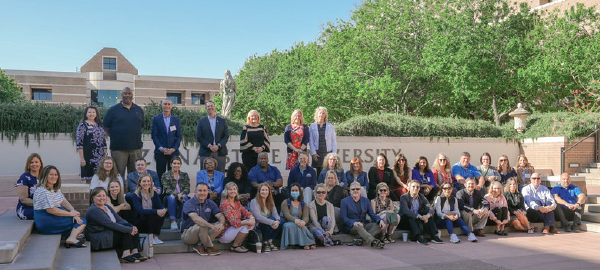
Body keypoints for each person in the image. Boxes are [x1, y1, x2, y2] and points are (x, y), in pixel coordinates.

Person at [86, 187, 145, 264]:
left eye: (103, 195)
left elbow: (119, 220)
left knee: (131, 227)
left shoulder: (107, 206)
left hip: (108, 232)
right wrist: (129, 229)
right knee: (126, 231)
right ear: (92, 198)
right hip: (99, 237)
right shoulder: (94, 210)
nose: (101, 198)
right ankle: (125, 255)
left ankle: (135, 252)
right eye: (98, 196)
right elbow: (110, 224)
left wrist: (131, 227)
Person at [33, 165, 87, 247]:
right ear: (45, 176)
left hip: (54, 217)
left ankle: (71, 237)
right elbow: (51, 210)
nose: (54, 177)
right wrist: (71, 214)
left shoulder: (55, 189)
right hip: (46, 220)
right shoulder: (43, 191)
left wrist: (73, 212)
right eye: (51, 174)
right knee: (82, 222)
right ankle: (71, 238)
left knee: (78, 221)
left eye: (56, 174)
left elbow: (64, 202)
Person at [103, 87, 144, 178]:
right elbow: (106, 127)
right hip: (118, 149)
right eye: (125, 93)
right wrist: (116, 136)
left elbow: (141, 126)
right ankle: (119, 192)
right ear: (121, 95)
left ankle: (133, 192)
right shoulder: (113, 110)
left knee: (135, 176)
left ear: (132, 95)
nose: (127, 95)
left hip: (136, 149)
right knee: (118, 175)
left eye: (129, 93)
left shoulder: (139, 110)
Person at [181, 183, 225, 256]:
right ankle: (209, 246)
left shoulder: (210, 203)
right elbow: (196, 219)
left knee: (220, 225)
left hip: (204, 232)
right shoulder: (189, 203)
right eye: (200, 190)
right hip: (188, 234)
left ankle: (200, 245)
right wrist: (211, 226)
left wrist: (221, 224)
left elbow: (220, 216)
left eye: (204, 191)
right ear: (195, 191)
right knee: (201, 224)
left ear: (207, 192)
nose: (202, 193)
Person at [341, 182, 386, 249]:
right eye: (353, 189)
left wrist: (380, 220)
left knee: (378, 225)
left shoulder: (365, 200)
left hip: (363, 224)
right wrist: (354, 222)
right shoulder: (344, 201)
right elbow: (343, 218)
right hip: (351, 226)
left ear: (360, 190)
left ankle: (361, 240)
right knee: (358, 226)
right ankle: (373, 241)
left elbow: (372, 214)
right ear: (350, 191)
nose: (355, 191)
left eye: (357, 189)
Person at [399, 180, 443, 245]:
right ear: (409, 188)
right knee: (411, 216)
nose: (415, 188)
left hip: (418, 220)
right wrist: (419, 216)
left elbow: (430, 207)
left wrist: (427, 215)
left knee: (427, 212)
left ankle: (434, 235)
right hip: (405, 221)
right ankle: (418, 237)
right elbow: (406, 211)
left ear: (419, 188)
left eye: (417, 187)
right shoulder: (404, 197)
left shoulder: (421, 196)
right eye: (413, 187)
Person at [128, 173, 167, 244]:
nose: (146, 183)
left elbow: (160, 205)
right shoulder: (135, 195)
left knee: (161, 214)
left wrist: (163, 210)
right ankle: (150, 237)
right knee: (152, 215)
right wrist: (156, 211)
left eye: (148, 181)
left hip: (151, 221)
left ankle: (155, 236)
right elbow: (140, 211)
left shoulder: (154, 193)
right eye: (144, 181)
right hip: (139, 221)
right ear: (140, 182)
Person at [218, 182, 255, 253]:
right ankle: (235, 246)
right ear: (226, 191)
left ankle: (238, 244)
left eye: (234, 189)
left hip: (233, 230)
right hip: (224, 234)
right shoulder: (225, 203)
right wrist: (248, 222)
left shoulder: (236, 202)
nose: (232, 191)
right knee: (248, 224)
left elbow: (245, 212)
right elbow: (234, 223)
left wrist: (251, 218)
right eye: (230, 189)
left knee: (250, 223)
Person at [151, 98, 182, 180]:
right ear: (162, 105)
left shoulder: (176, 120)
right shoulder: (156, 119)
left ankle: (172, 192)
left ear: (171, 106)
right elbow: (154, 136)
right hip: (160, 153)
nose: (167, 106)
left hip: (173, 153)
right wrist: (161, 148)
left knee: (173, 174)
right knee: (160, 174)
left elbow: (178, 136)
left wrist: (173, 149)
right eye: (165, 104)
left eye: (168, 104)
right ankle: (161, 192)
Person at [280, 183, 316, 250]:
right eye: (293, 190)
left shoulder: (303, 204)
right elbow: (286, 215)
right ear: (290, 192)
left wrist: (304, 222)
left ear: (299, 191)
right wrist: (295, 220)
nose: (294, 192)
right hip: (289, 221)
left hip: (300, 222)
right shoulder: (285, 202)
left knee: (303, 227)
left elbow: (306, 216)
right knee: (287, 226)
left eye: (296, 190)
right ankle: (297, 244)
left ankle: (306, 243)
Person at [196, 101, 229, 172]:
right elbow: (199, 137)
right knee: (204, 174)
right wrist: (209, 146)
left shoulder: (222, 121)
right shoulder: (201, 121)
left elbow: (226, 136)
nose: (210, 107)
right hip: (205, 151)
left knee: (220, 174)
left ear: (215, 108)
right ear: (205, 108)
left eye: (212, 106)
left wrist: (218, 145)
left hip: (220, 152)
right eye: (208, 106)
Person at [76, 105, 107, 181]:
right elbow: (79, 143)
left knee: (102, 179)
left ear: (96, 114)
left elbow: (104, 141)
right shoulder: (82, 125)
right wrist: (82, 158)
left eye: (93, 112)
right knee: (90, 180)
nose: (91, 114)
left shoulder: (100, 125)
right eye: (89, 112)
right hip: (88, 157)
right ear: (86, 114)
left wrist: (106, 154)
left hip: (100, 157)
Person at [249, 183, 282, 252]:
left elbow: (275, 213)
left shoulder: (270, 201)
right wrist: (272, 222)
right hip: (259, 224)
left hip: (269, 223)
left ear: (269, 191)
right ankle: (265, 242)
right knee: (272, 220)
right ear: (259, 191)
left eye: (266, 190)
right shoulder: (254, 201)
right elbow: (258, 217)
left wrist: (278, 221)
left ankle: (270, 241)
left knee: (281, 220)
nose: (264, 192)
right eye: (262, 190)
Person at [161, 156, 190, 230]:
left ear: (180, 165)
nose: (176, 165)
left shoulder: (185, 175)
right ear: (171, 164)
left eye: (178, 163)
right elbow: (166, 189)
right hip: (169, 196)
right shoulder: (165, 175)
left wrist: (182, 194)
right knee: (171, 198)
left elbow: (187, 188)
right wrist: (177, 194)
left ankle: (182, 221)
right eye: (174, 163)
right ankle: (173, 221)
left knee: (185, 197)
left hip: (182, 194)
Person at [309, 107, 336, 176]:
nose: (321, 115)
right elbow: (310, 141)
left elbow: (333, 140)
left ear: (325, 115)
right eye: (320, 113)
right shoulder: (312, 126)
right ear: (317, 114)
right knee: (319, 172)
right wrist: (313, 153)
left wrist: (333, 154)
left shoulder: (330, 126)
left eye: (323, 113)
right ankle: (319, 186)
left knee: (328, 171)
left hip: (327, 152)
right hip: (317, 153)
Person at [15, 153, 43, 220]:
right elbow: (23, 199)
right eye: (31, 162)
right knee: (48, 212)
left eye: (36, 162)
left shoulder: (44, 176)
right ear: (28, 164)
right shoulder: (24, 177)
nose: (34, 164)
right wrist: (43, 205)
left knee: (57, 209)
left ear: (40, 164)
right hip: (26, 208)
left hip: (42, 206)